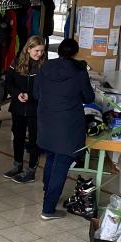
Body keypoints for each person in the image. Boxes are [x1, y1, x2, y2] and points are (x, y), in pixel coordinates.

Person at [35, 38, 95, 220]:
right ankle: (48, 209)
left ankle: (48, 191)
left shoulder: (45, 67)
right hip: (68, 125)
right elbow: (89, 97)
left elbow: (36, 93)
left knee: (51, 157)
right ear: (75, 53)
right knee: (61, 164)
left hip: (46, 120)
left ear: (58, 51)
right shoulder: (79, 71)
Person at [4, 35, 45, 184]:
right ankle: (17, 165)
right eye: (36, 51)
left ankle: (32, 170)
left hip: (35, 108)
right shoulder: (16, 62)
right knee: (18, 136)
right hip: (18, 106)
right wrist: (17, 94)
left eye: (41, 51)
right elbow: (8, 82)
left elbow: (45, 89)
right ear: (28, 49)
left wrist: (31, 96)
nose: (39, 54)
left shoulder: (44, 65)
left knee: (34, 139)